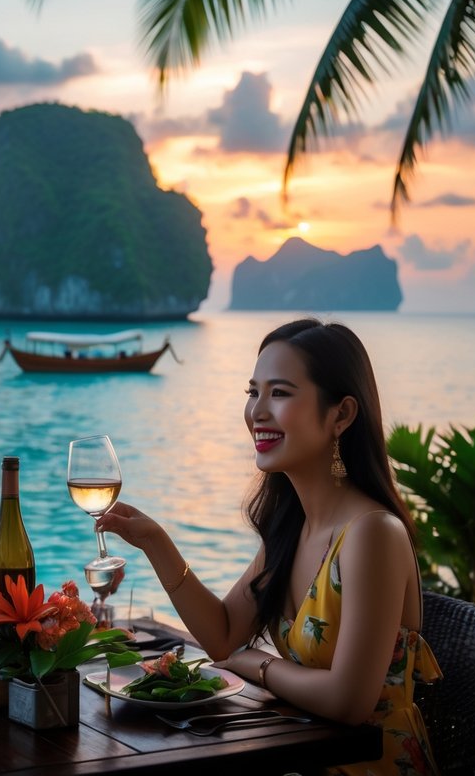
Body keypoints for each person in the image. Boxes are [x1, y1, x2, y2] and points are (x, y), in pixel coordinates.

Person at [99, 319, 441, 775]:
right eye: (252, 392)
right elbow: (222, 635)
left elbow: (349, 701)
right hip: (302, 754)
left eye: (279, 393)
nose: (257, 411)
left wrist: (256, 664)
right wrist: (156, 543)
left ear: (341, 415)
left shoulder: (371, 533)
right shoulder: (294, 527)